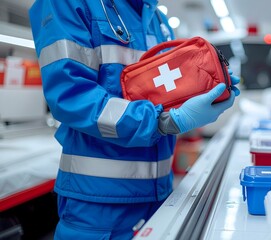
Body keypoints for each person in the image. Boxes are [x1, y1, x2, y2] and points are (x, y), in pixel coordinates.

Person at [29, 0, 240, 239]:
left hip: (160, 195)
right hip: (99, 205)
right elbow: (71, 96)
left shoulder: (158, 20)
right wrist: (164, 122)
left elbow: (165, 93)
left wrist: (205, 89)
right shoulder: (68, 3)